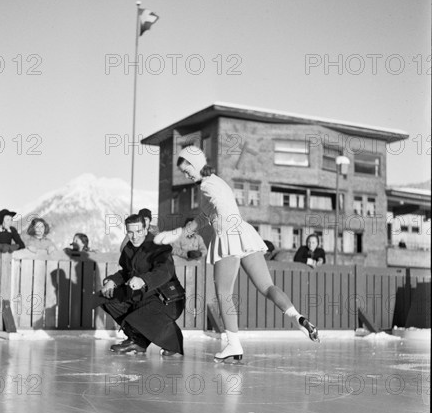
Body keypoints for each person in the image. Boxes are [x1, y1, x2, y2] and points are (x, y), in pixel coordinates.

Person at [155, 146, 320, 362]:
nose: (187, 175)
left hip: (228, 237)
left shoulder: (207, 185)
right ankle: (296, 317)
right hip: (245, 233)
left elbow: (216, 205)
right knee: (267, 286)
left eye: (188, 170)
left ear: (196, 165)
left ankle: (233, 344)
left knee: (223, 294)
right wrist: (178, 233)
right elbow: (204, 217)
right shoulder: (216, 182)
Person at [99, 214, 185, 356]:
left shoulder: (159, 247)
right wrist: (112, 281)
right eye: (130, 232)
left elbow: (165, 271)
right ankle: (137, 340)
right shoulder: (128, 248)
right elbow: (125, 272)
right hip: (142, 297)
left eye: (138, 231)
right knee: (107, 298)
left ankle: (170, 339)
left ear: (145, 230)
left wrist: (143, 280)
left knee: (143, 309)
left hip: (166, 299)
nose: (134, 236)